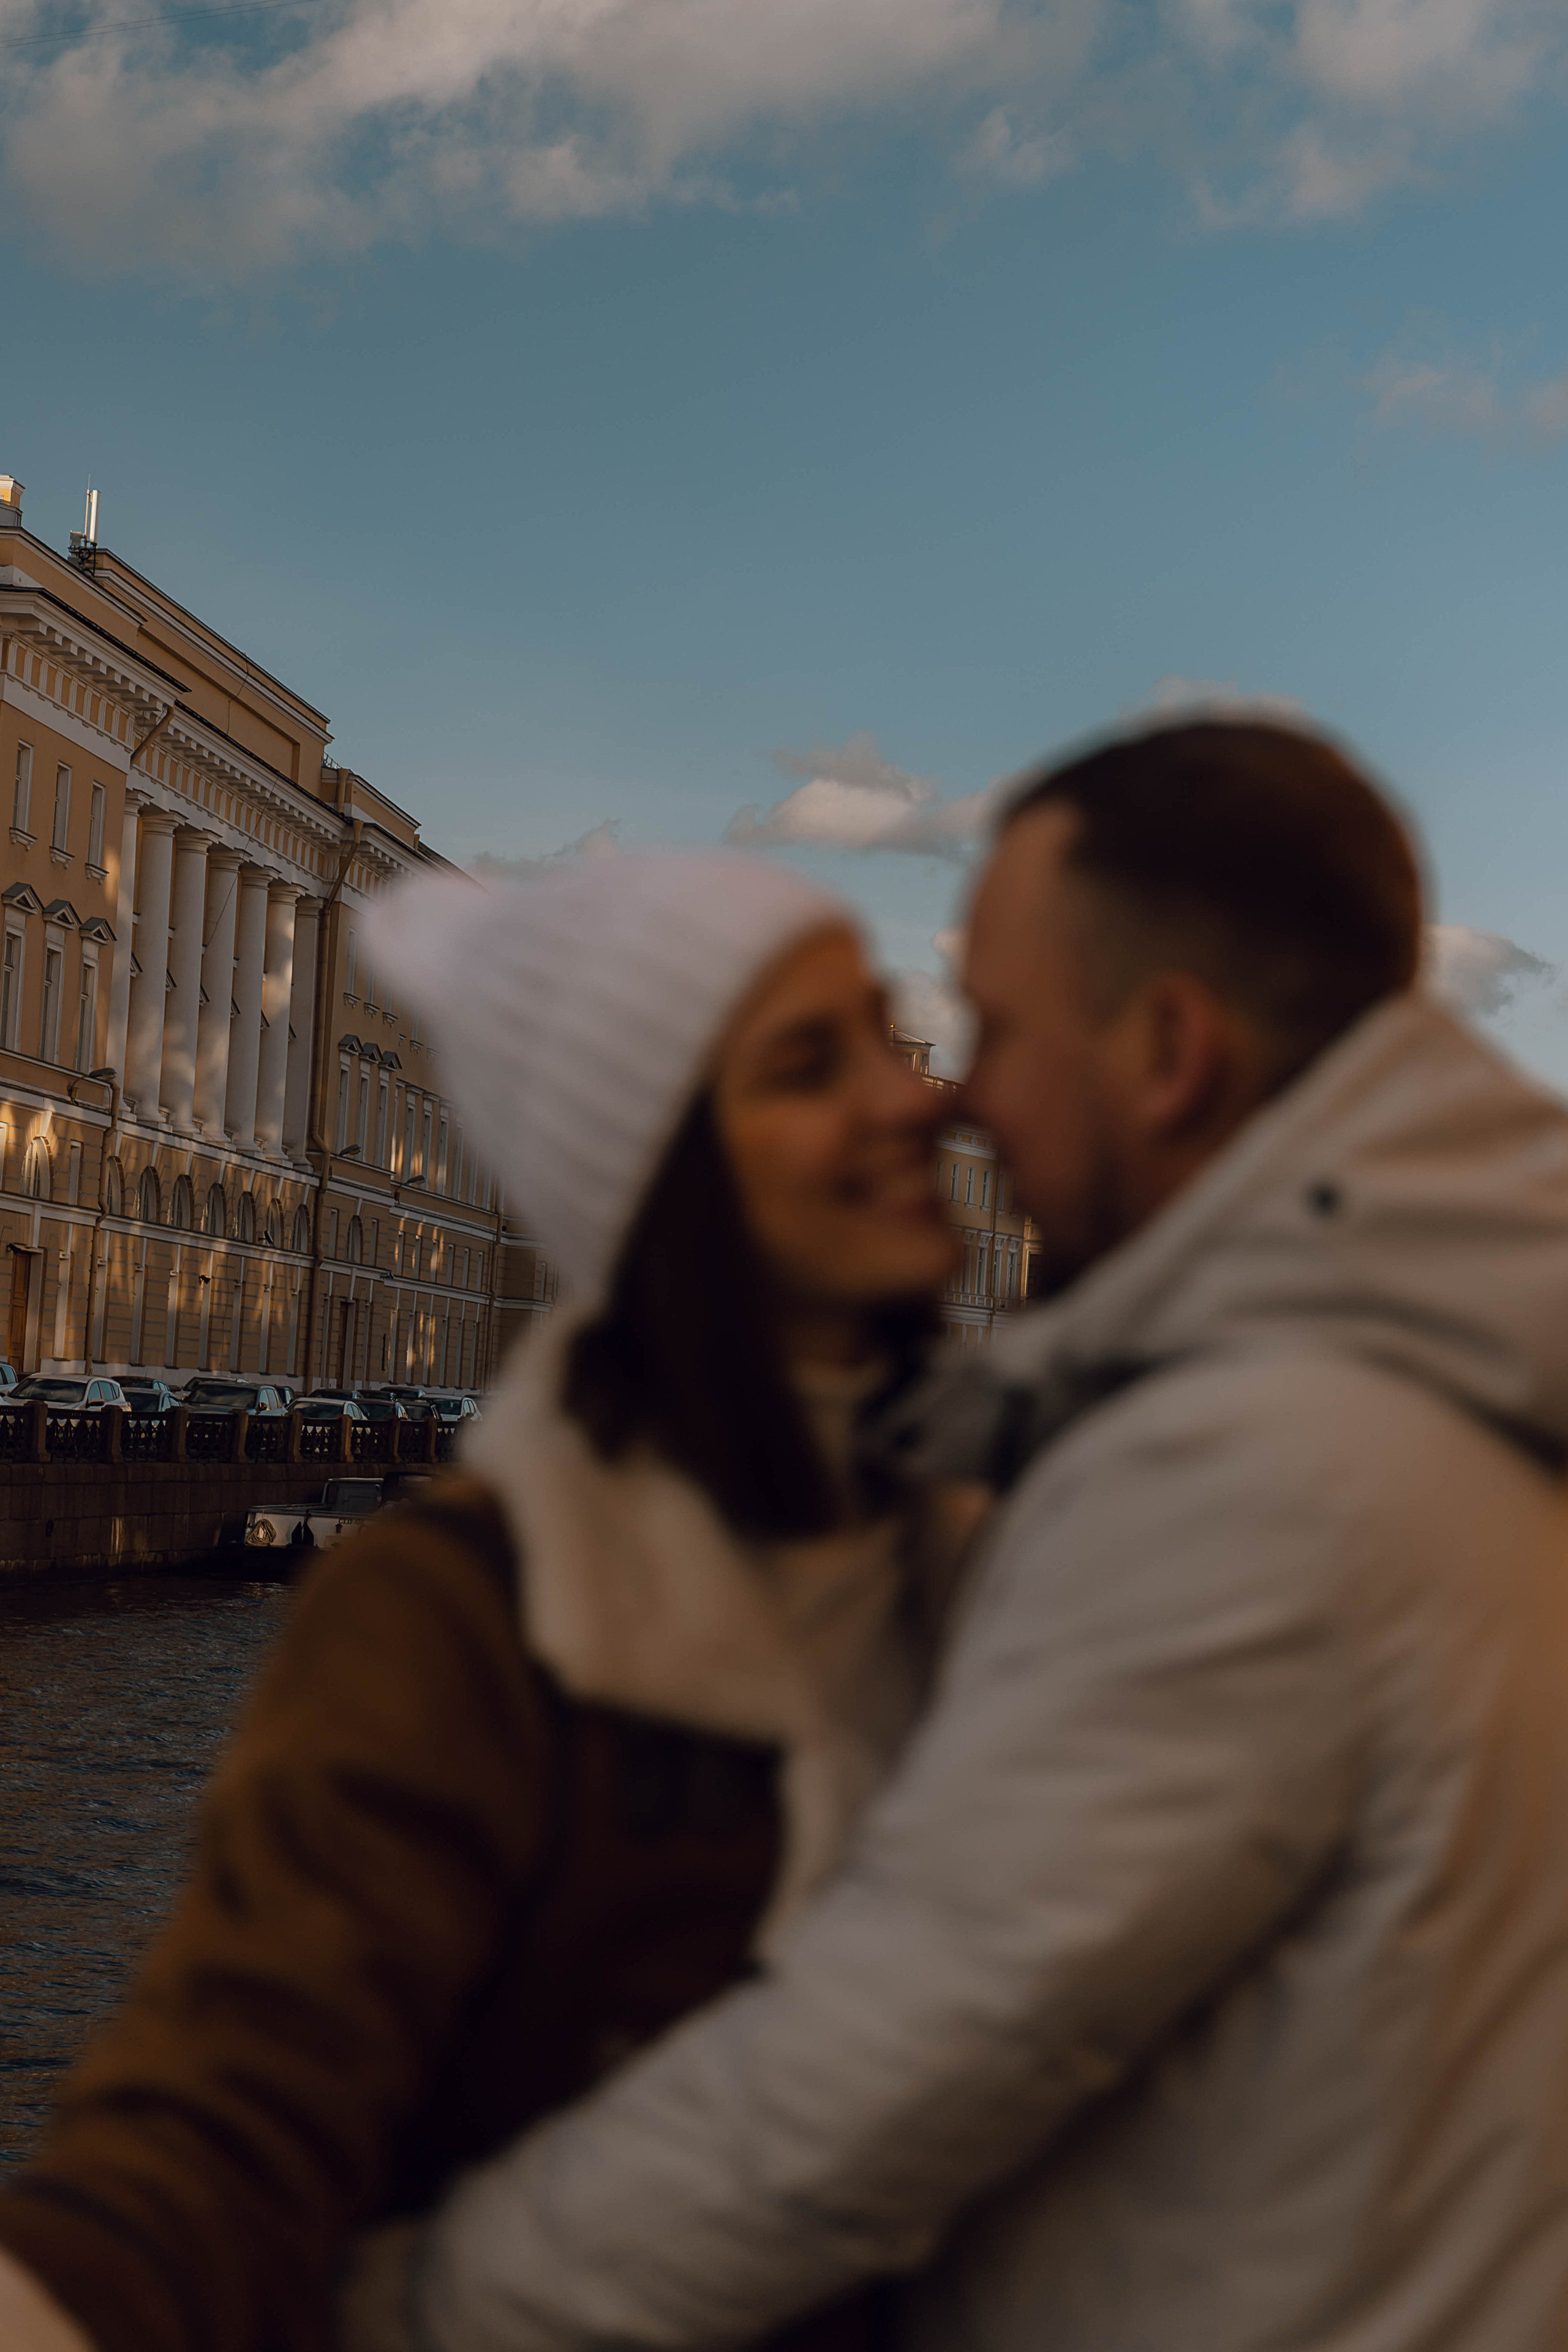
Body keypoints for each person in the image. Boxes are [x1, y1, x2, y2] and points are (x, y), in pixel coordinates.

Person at [353, 717, 1568, 2352]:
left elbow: (855, 2097)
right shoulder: (1462, 1356)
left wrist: (389, 2309)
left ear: (1170, 1052)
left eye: (994, 1030)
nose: (962, 1099)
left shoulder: (1252, 1467)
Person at [0, 848, 979, 2352]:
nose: (920, 1100)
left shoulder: (1019, 1537)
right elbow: (236, 2110)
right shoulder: (463, 1612)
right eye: (812, 1062)